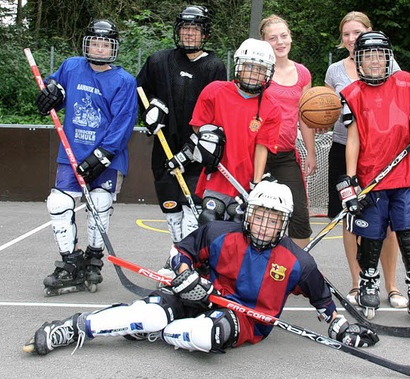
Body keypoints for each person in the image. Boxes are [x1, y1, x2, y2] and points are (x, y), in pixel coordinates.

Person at [23, 181, 379, 355]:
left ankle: (162, 330)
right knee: (149, 315)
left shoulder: (298, 262)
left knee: (206, 337)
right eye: (259, 216)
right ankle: (72, 328)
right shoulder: (219, 233)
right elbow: (180, 255)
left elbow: (324, 304)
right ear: (248, 213)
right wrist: (184, 277)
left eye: (273, 220)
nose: (264, 225)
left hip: (244, 319)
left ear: (284, 223)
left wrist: (341, 329)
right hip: (200, 296)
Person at [337, 31, 410, 325]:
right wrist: (352, 179)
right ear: (358, 60)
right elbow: (353, 140)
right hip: (371, 177)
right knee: (370, 234)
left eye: (378, 56)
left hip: (405, 174)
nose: (373, 61)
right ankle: (369, 282)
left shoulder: (407, 83)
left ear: (387, 58)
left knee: (407, 232)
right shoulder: (352, 94)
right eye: (367, 56)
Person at [34, 19, 138, 296]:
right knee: (58, 203)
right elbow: (55, 86)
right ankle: (70, 261)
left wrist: (102, 156)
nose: (100, 49)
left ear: (113, 48)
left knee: (100, 205)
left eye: (105, 44)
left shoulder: (124, 81)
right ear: (86, 44)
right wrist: (50, 92)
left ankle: (93, 258)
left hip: (107, 157)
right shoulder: (71, 66)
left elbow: (123, 123)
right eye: (95, 43)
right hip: (71, 153)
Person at [324, 11, 408, 309]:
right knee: (350, 219)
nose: (350, 39)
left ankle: (393, 286)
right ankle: (358, 283)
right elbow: (329, 112)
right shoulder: (335, 71)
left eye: (356, 32)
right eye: (346, 34)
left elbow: (400, 102)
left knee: (387, 222)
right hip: (343, 148)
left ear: (369, 32)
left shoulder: (386, 62)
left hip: (381, 153)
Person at [138, 5, 226, 244]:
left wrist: (190, 151)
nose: (189, 34)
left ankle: (188, 259)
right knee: (171, 207)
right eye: (185, 28)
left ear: (205, 34)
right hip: (164, 148)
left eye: (195, 29)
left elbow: (217, 116)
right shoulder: (159, 61)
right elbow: (139, 94)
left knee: (193, 209)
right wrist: (150, 111)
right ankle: (176, 255)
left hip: (198, 153)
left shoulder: (214, 67)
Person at [169, 38, 281, 225]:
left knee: (237, 223)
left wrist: (257, 182)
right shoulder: (215, 92)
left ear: (268, 73)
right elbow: (198, 127)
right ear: (239, 66)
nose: (254, 74)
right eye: (249, 67)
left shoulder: (271, 108)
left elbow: (263, 147)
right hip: (217, 176)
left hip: (244, 180)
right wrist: (210, 141)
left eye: (260, 69)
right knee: (209, 219)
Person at [259, 14, 315, 249]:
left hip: (285, 155)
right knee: (251, 213)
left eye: (284, 36)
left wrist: (311, 152)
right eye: (273, 38)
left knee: (300, 218)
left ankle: (294, 269)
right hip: (256, 152)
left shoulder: (303, 74)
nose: (280, 42)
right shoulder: (257, 70)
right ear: (264, 42)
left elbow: (305, 116)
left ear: (291, 37)